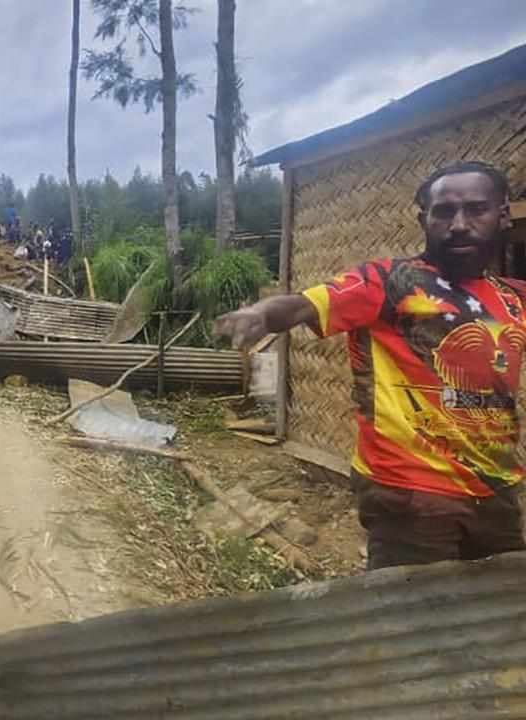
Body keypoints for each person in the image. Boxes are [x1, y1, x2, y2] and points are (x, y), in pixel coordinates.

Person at [214, 161, 523, 570]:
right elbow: (304, 304)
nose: (459, 225)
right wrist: (261, 314)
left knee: (500, 603)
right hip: (410, 490)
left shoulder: (513, 298)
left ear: (503, 216)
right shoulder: (387, 281)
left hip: (497, 489)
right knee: (412, 606)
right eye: (444, 212)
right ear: (423, 220)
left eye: (476, 209)